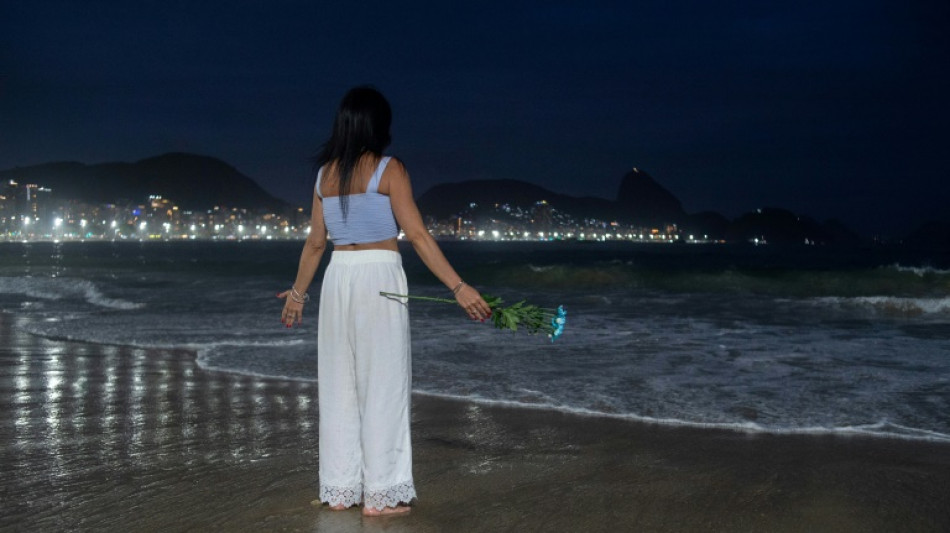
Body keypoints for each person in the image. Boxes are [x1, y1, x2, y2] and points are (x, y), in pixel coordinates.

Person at [278, 86, 491, 517]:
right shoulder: (390, 169)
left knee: (339, 384)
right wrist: (458, 286)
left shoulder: (323, 175)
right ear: (379, 124)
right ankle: (383, 494)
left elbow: (316, 244)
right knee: (384, 383)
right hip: (379, 275)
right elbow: (417, 235)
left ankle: (339, 491)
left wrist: (298, 296)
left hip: (339, 277)